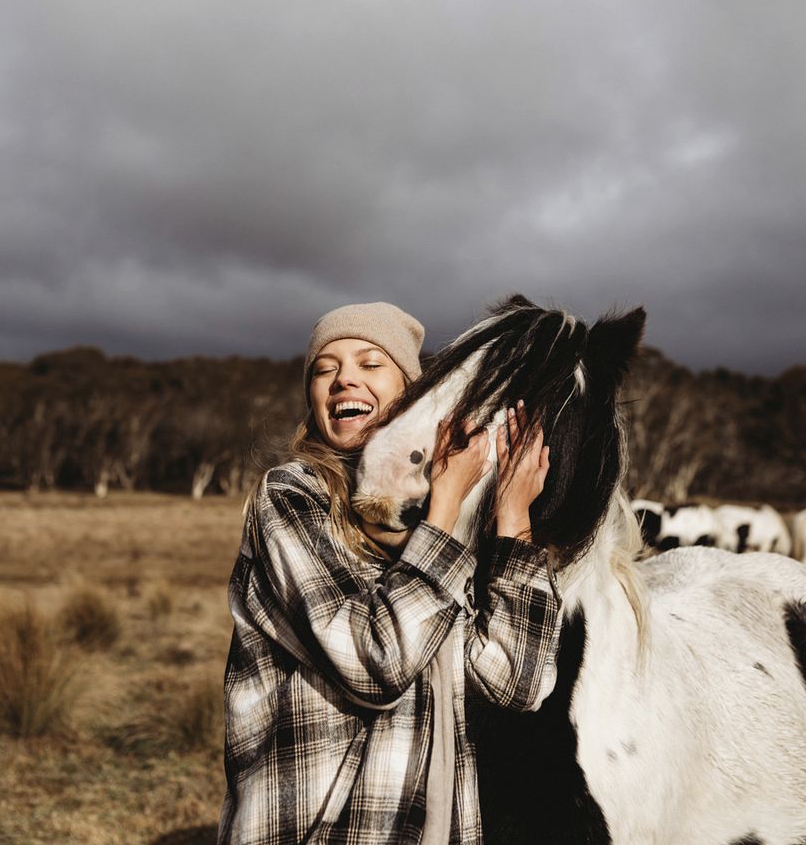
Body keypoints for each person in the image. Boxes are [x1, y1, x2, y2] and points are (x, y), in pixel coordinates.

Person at [219, 301, 562, 845]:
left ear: (412, 392)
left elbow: (517, 686)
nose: (343, 379)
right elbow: (374, 664)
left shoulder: (437, 525)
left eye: (369, 363)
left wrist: (513, 517)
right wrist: (447, 511)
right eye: (324, 369)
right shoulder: (291, 497)